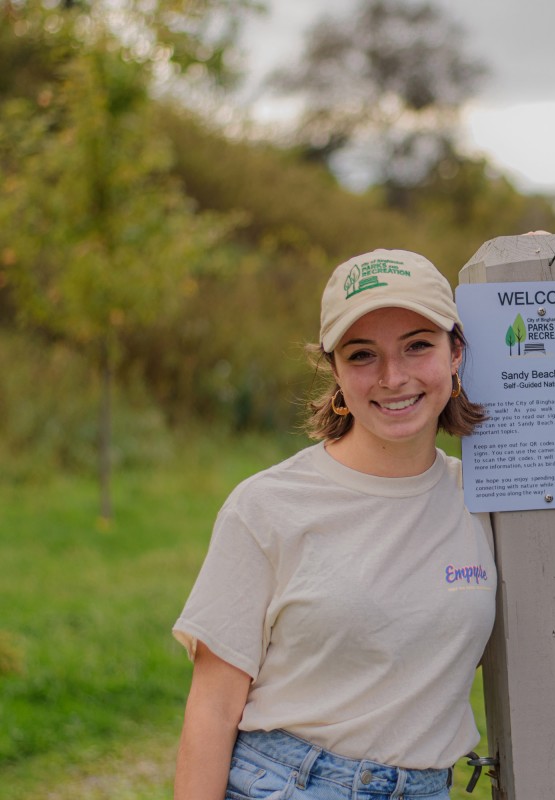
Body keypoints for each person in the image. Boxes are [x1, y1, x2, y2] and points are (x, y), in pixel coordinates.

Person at [173, 249, 495, 800]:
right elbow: (212, 705)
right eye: (362, 354)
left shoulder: (486, 500)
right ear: (335, 371)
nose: (393, 378)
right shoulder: (268, 506)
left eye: (418, 345)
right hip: (288, 784)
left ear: (456, 352)